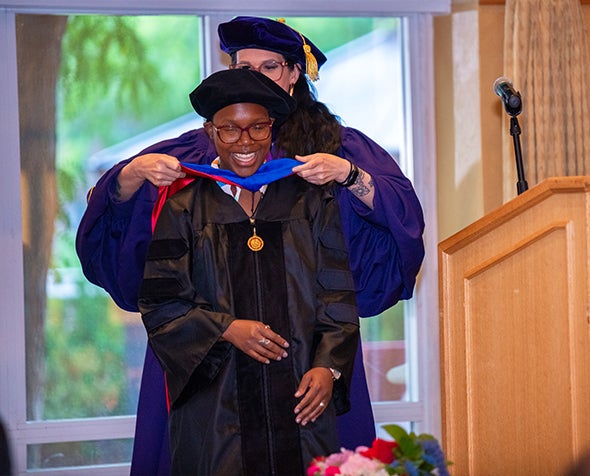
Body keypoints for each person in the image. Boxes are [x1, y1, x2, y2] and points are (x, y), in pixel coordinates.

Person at [75, 15, 425, 476]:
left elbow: (397, 224)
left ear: (296, 72)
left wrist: (348, 176)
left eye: (270, 66)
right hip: (211, 369)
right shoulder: (201, 154)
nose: (256, 78)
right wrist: (133, 174)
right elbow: (132, 242)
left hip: (312, 355)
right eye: (244, 66)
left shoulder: (334, 148)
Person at [139, 67, 360, 475]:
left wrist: (328, 367)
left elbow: (337, 295)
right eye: (230, 130)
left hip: (300, 401)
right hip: (219, 408)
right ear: (211, 132)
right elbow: (161, 303)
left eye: (257, 128)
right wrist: (225, 328)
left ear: (272, 129)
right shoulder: (184, 209)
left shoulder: (309, 201)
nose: (245, 142)